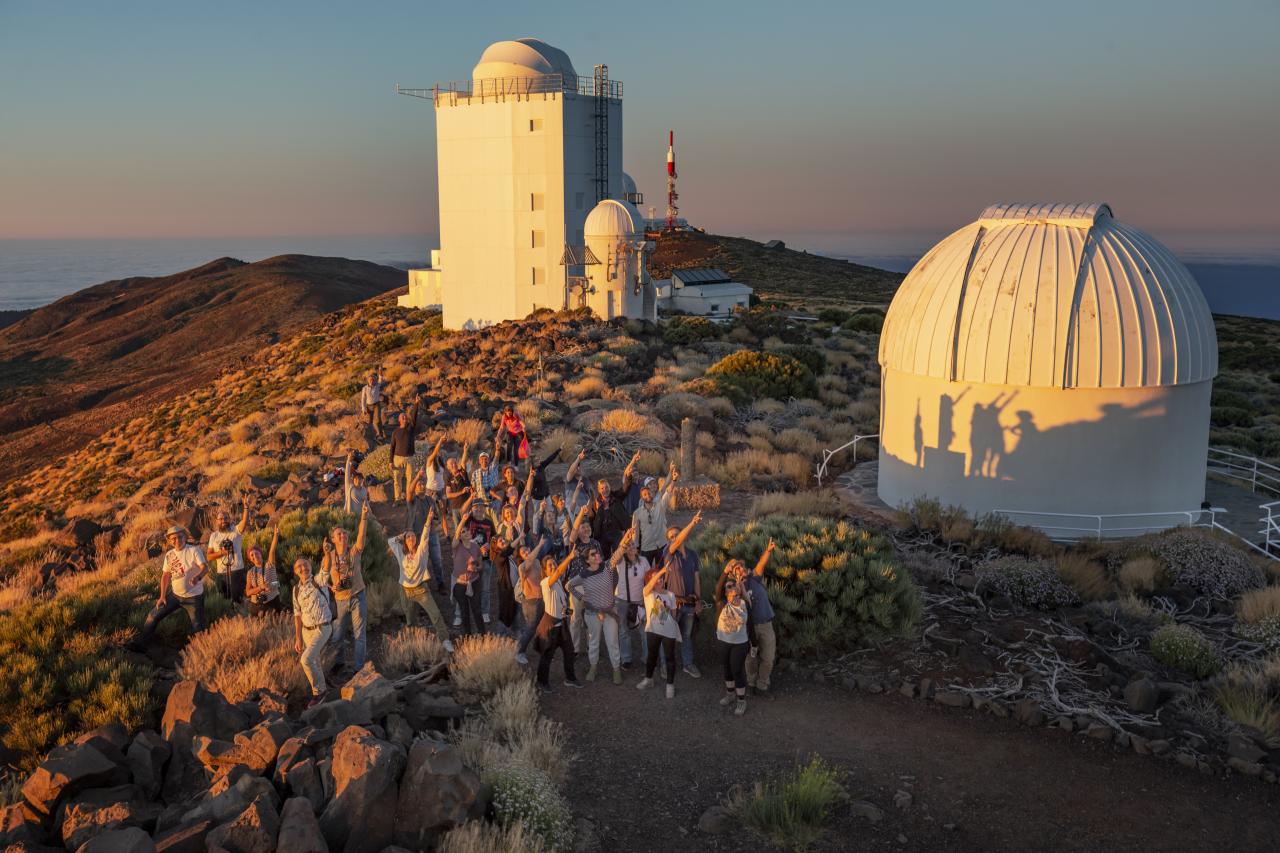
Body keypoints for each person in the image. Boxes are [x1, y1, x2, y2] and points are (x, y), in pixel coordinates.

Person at [129, 525, 208, 649]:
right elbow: (165, 575)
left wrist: (198, 577)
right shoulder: (169, 555)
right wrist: (162, 596)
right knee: (153, 615)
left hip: (194, 598)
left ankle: (201, 653)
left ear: (185, 537)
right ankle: (141, 645)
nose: (177, 541)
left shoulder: (194, 550)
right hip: (175, 596)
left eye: (180, 537)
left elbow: (205, 567)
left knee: (198, 628)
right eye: (173, 539)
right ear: (169, 541)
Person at [389, 507, 454, 652]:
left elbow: (425, 535)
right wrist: (402, 534)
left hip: (421, 589)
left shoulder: (422, 551)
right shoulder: (401, 553)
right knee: (410, 619)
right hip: (405, 590)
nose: (411, 538)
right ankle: (414, 643)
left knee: (435, 614)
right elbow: (391, 542)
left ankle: (445, 640)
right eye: (408, 537)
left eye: (412, 536)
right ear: (405, 540)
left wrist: (429, 520)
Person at [322, 502, 369, 675]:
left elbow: (362, 535)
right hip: (340, 600)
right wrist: (331, 586)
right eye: (338, 534)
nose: (342, 536)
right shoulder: (329, 556)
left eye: (344, 533)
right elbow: (321, 578)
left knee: (359, 635)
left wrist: (364, 516)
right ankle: (337, 663)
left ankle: (358, 669)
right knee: (337, 636)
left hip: (358, 596)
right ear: (333, 539)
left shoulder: (354, 551)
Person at [566, 542, 622, 683]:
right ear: (587, 560)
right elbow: (569, 585)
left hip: (609, 612)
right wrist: (580, 597)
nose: (597, 555)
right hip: (592, 614)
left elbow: (618, 554)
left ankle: (616, 669)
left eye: (597, 552)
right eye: (593, 554)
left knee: (612, 641)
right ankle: (593, 667)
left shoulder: (607, 567)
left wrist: (625, 541)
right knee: (593, 641)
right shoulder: (583, 575)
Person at [659, 511, 704, 678]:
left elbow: (697, 579)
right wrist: (691, 524)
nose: (674, 538)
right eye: (671, 537)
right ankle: (664, 664)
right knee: (668, 634)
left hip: (690, 603)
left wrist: (698, 600)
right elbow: (675, 543)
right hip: (673, 603)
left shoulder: (692, 554)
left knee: (686, 635)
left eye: (676, 535)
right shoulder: (668, 553)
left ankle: (688, 663)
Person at [534, 546, 583, 691]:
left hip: (561, 625)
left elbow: (560, 603)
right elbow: (560, 571)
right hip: (550, 627)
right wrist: (570, 557)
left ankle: (570, 678)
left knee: (569, 651)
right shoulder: (546, 583)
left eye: (554, 563)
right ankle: (541, 682)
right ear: (545, 570)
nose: (553, 566)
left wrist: (566, 611)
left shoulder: (558, 584)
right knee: (547, 656)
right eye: (550, 565)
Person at [292, 557, 334, 708]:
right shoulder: (296, 589)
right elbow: (297, 614)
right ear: (295, 572)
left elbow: (326, 567)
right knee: (314, 661)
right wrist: (298, 638)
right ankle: (324, 690)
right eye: (299, 566)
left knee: (306, 659)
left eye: (305, 564)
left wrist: (327, 553)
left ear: (310, 565)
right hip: (306, 631)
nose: (303, 568)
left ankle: (318, 692)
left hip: (322, 628)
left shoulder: (318, 580)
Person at [635, 564, 681, 699]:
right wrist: (661, 571)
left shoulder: (671, 595)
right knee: (652, 656)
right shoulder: (648, 593)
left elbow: (673, 613)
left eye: (661, 578)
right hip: (653, 630)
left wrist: (671, 625)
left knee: (670, 658)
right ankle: (648, 679)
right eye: (655, 579)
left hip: (669, 632)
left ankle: (670, 685)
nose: (659, 580)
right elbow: (649, 586)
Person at [743, 539, 778, 694]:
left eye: (742, 568)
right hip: (748, 628)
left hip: (765, 624)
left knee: (768, 657)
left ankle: (762, 683)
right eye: (736, 569)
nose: (740, 571)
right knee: (750, 658)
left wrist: (768, 550)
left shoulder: (754, 578)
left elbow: (760, 565)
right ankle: (751, 681)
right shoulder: (734, 588)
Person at [612, 528, 649, 669]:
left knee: (644, 630)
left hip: (639, 601)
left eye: (633, 544)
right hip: (622, 600)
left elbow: (649, 580)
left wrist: (647, 602)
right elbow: (615, 557)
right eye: (628, 545)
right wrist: (624, 540)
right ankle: (626, 658)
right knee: (623, 631)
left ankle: (647, 658)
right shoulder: (621, 561)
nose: (631, 547)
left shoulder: (644, 561)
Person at [716, 573, 752, 716]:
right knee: (727, 668)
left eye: (733, 587)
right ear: (725, 592)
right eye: (728, 587)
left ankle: (742, 700)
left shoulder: (745, 605)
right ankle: (730, 694)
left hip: (740, 643)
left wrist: (754, 644)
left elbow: (751, 627)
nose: (731, 589)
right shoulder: (722, 603)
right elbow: (719, 587)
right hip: (724, 642)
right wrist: (726, 571)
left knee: (737, 670)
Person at [457, 496, 498, 624]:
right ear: (472, 509)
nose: (479, 509)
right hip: (468, 560)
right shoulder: (468, 520)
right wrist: (470, 498)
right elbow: (461, 511)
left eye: (481, 506)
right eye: (476, 507)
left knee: (485, 588)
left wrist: (490, 545)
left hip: (485, 560)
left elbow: (494, 540)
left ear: (484, 509)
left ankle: (485, 612)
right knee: (463, 587)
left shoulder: (489, 522)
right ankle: (459, 615)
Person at [206, 499, 250, 604]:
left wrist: (246, 507)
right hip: (221, 573)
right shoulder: (214, 536)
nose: (223, 520)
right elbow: (208, 557)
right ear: (217, 521)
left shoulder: (235, 530)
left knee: (239, 600)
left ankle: (241, 619)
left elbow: (244, 522)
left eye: (226, 518)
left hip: (237, 570)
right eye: (220, 519)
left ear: (229, 519)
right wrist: (222, 553)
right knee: (224, 601)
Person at [632, 466, 678, 566]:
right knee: (646, 571)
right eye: (645, 494)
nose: (648, 495)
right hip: (647, 545)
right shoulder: (637, 513)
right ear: (642, 496)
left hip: (661, 542)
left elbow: (668, 491)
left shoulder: (660, 503)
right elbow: (635, 531)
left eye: (654, 483)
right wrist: (634, 546)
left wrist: (673, 479)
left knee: (663, 569)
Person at [514, 537, 549, 665]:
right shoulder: (523, 566)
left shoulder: (538, 562)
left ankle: (539, 648)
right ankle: (519, 651)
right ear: (521, 557)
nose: (527, 553)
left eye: (527, 549)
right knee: (531, 627)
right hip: (531, 602)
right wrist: (539, 545)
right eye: (523, 552)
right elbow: (529, 560)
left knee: (539, 626)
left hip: (541, 599)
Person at [244, 526, 282, 615]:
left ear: (260, 553)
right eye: (252, 555)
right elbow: (248, 592)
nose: (254, 556)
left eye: (256, 553)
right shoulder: (250, 572)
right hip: (256, 605)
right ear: (250, 559)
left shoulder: (270, 564)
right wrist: (261, 587)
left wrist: (275, 536)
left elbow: (272, 551)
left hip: (272, 602)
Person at [389, 406, 420, 504]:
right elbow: (392, 447)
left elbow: (414, 418)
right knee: (397, 480)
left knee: (410, 480)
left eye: (406, 417)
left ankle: (408, 498)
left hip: (410, 458)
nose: (405, 418)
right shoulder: (395, 432)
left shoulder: (410, 429)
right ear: (399, 420)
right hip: (397, 458)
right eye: (403, 417)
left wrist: (416, 404)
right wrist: (390, 461)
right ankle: (397, 499)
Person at [452, 553, 486, 635]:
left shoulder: (475, 547)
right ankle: (467, 635)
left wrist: (476, 569)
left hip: (474, 582)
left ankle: (482, 634)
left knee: (477, 609)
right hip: (459, 584)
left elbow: (481, 566)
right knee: (464, 611)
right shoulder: (457, 548)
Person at [344, 451, 369, 516]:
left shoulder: (364, 490)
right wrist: (348, 460)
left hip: (363, 516)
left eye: (360, 479)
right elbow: (347, 474)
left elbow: (366, 503)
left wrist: (370, 513)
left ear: (362, 480)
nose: (358, 481)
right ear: (353, 480)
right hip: (352, 516)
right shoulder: (350, 487)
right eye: (356, 479)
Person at [361, 371, 385, 439]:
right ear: (368, 381)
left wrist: (380, 373)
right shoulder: (365, 388)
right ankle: (372, 434)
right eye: (370, 380)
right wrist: (363, 408)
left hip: (376, 404)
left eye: (373, 380)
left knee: (377, 419)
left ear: (374, 380)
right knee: (370, 421)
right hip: (368, 406)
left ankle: (380, 434)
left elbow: (381, 380)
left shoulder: (377, 385)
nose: (371, 381)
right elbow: (363, 399)